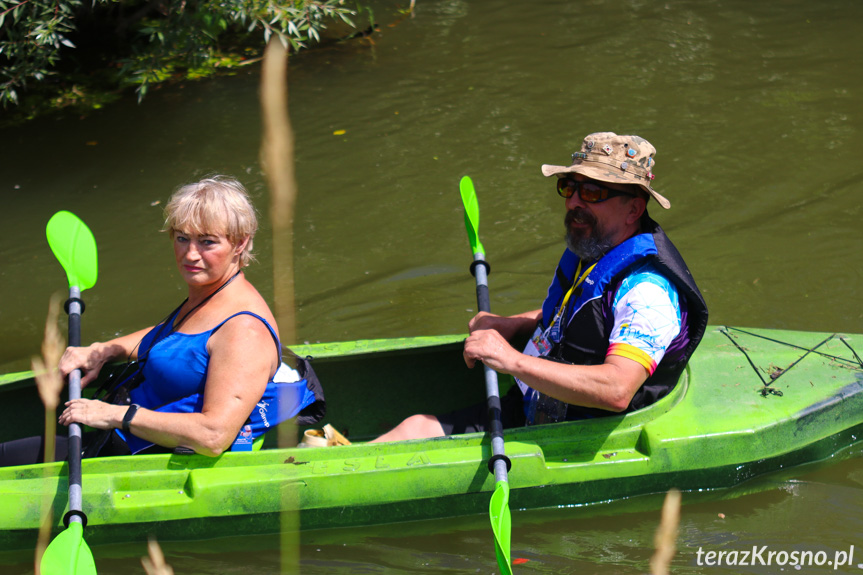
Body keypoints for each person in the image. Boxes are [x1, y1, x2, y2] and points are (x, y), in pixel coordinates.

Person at [373, 132, 708, 442]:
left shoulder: (648, 292)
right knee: (415, 427)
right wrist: (513, 324)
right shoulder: (596, 248)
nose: (573, 202)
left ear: (634, 208)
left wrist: (510, 360)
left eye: (591, 192)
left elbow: (617, 389)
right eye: (569, 188)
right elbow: (576, 315)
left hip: (581, 434)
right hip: (542, 404)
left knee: (415, 430)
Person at [0, 176, 323, 467]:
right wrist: (105, 350)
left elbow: (214, 436)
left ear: (240, 243)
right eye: (182, 238)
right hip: (120, 435)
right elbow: (178, 339)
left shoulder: (244, 332)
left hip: (139, 455)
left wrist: (115, 415)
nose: (190, 254)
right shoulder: (210, 293)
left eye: (207, 242)